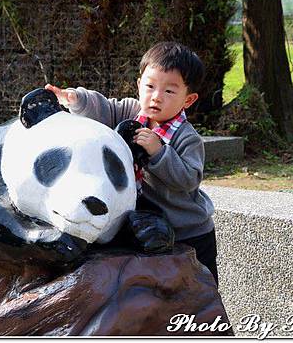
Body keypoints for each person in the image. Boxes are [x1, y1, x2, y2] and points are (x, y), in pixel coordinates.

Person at [45, 41, 218, 286]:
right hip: (147, 226)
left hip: (188, 231)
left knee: (199, 285)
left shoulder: (187, 138)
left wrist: (159, 152)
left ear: (188, 100)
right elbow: (104, 108)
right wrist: (75, 99)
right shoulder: (131, 111)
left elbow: (188, 179)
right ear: (139, 85)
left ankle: (206, 322)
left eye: (169, 91)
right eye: (149, 86)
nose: (156, 97)